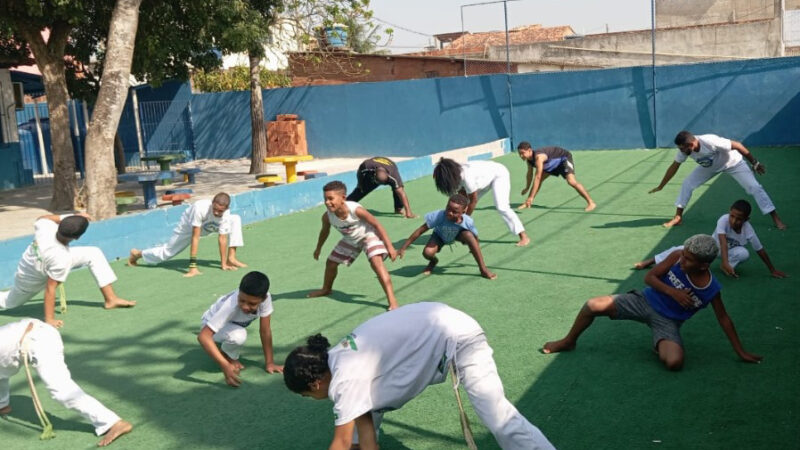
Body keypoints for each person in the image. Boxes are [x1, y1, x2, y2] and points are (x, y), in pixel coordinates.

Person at [283, 302, 555, 450]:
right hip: (442, 323)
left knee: (498, 416)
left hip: (460, 338)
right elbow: (364, 432)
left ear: (315, 383)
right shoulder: (338, 358)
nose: (314, 398)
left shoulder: (343, 380)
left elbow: (340, 443)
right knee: (364, 421)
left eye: (308, 395)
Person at [543, 234, 762, 370]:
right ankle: (568, 341)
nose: (682, 260)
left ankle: (660, 344)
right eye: (683, 255)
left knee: (674, 363)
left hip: (668, 322)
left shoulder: (711, 289)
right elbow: (649, 277)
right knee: (592, 305)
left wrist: (740, 351)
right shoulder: (676, 255)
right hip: (643, 300)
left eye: (688, 259)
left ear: (703, 266)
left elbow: (724, 319)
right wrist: (673, 293)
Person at [0, 318, 132, 446]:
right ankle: (2, 404)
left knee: (61, 390)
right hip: (35, 332)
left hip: (37, 340)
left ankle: (114, 423)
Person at [0, 214, 135, 328]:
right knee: (8, 302)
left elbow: (41, 218)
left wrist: (73, 217)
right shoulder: (62, 259)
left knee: (93, 253)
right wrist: (49, 319)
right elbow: (50, 288)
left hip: (43, 262)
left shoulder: (46, 227)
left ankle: (111, 299)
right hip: (28, 279)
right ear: (77, 238)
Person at [649, 131, 785, 229]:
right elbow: (674, 166)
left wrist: (754, 163)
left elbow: (737, 145)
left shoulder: (709, 141)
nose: (682, 151)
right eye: (680, 149)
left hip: (733, 163)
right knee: (688, 183)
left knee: (754, 187)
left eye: (683, 148)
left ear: (692, 144)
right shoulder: (684, 149)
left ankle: (775, 217)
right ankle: (678, 217)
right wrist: (661, 185)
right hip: (710, 167)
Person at [634, 200, 787, 278]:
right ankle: (652, 260)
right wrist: (725, 260)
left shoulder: (748, 230)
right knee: (682, 250)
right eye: (732, 216)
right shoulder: (723, 220)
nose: (734, 221)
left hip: (730, 251)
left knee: (744, 254)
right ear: (729, 213)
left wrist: (772, 270)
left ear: (747, 219)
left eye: (739, 218)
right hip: (711, 247)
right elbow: (721, 242)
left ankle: (725, 267)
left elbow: (759, 250)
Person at [308, 181, 399, 310]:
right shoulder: (327, 217)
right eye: (325, 199)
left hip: (368, 236)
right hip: (350, 239)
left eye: (330, 198)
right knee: (331, 263)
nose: (327, 202)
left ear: (343, 198)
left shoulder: (356, 210)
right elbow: (324, 231)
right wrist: (318, 248)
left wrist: (390, 247)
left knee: (376, 264)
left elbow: (377, 225)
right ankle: (326, 289)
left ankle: (392, 301)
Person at [128, 192, 246, 277]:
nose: (216, 212)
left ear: (226, 208)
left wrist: (223, 264)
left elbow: (222, 238)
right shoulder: (200, 208)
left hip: (209, 225)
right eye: (214, 208)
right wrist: (192, 266)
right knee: (167, 252)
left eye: (220, 211)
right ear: (212, 203)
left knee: (235, 219)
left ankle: (231, 258)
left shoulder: (225, 213)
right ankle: (138, 254)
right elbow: (195, 237)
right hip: (189, 227)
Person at [197, 271, 282, 387]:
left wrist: (270, 363)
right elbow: (203, 336)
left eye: (252, 304)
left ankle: (226, 352)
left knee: (237, 333)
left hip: (231, 325)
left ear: (263, 298)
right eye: (241, 300)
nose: (245, 306)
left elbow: (265, 331)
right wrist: (225, 365)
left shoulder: (266, 299)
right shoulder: (230, 306)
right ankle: (227, 356)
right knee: (238, 336)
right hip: (208, 323)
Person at [433, 158, 530, 246]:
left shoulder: (467, 177)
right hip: (481, 181)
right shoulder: (453, 173)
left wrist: (464, 220)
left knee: (502, 207)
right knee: (458, 205)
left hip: (498, 175)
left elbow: (473, 200)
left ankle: (523, 236)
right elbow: (461, 198)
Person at [398, 194, 496, 279]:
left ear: (464, 211)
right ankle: (433, 262)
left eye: (454, 211)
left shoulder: (468, 221)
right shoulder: (438, 216)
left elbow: (475, 236)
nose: (449, 213)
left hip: (457, 235)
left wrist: (475, 247)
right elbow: (420, 230)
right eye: (448, 208)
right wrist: (403, 247)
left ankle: (483, 269)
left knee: (469, 235)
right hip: (439, 236)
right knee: (427, 253)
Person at [516, 141, 596, 212]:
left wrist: (530, 196)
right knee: (539, 181)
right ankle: (528, 202)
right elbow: (529, 174)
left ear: (530, 150)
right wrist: (527, 187)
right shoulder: (529, 160)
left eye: (523, 153)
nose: (521, 156)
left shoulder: (539, 158)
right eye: (520, 153)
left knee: (571, 181)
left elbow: (537, 177)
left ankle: (591, 203)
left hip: (563, 158)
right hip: (551, 163)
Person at [346, 156, 416, 218]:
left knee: (397, 190)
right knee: (361, 189)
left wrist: (408, 212)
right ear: (375, 173)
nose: (379, 184)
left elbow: (402, 194)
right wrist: (360, 184)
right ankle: (345, 203)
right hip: (375, 165)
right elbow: (359, 172)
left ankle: (398, 208)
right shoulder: (367, 165)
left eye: (382, 183)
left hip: (390, 165)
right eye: (378, 182)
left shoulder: (394, 176)